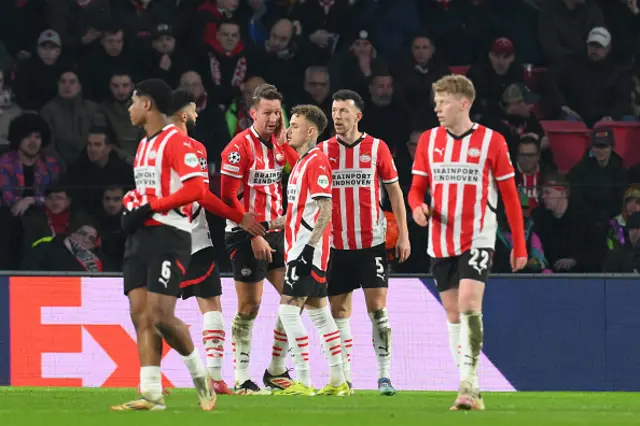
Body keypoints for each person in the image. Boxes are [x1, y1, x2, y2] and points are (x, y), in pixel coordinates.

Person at [280, 89, 411, 396]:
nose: (337, 116)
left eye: (343, 111)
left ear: (357, 116)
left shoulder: (377, 148)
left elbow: (395, 193)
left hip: (371, 243)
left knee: (377, 309)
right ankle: (345, 378)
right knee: (338, 312)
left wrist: (403, 234)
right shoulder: (322, 151)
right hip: (336, 246)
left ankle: (384, 375)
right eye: (334, 111)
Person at [408, 74, 527, 411]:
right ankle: (468, 382)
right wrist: (418, 208)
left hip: (477, 235)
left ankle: (468, 385)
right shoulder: (428, 141)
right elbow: (416, 189)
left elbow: (510, 197)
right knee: (452, 312)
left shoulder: (493, 141)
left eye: (443, 102)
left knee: (469, 303)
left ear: (464, 103)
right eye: (436, 102)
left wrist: (519, 245)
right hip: (440, 238)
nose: (437, 108)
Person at [111, 79, 216, 411]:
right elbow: (146, 190)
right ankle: (151, 393)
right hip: (141, 235)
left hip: (169, 234)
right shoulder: (143, 145)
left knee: (160, 315)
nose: (128, 108)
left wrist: (152, 207)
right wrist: (132, 205)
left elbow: (197, 189)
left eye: (132, 102)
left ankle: (201, 376)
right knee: (139, 314)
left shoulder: (176, 142)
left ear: (147, 105)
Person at [168, 89, 265, 395]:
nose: (197, 115)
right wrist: (238, 217)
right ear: (184, 114)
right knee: (210, 305)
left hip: (159, 240)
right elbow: (201, 194)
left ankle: (152, 376)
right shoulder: (193, 148)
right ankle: (211, 376)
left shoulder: (149, 146)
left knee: (155, 312)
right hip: (193, 238)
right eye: (194, 110)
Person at [219, 83, 293, 394]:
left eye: (277, 112)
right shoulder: (239, 147)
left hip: (276, 233)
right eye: (267, 113)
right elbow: (226, 197)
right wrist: (254, 234)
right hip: (244, 233)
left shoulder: (279, 146)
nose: (274, 118)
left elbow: (299, 169)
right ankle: (242, 378)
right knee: (250, 306)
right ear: (252, 114)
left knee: (295, 299)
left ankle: (276, 371)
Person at [275, 105, 350, 396]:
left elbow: (326, 210)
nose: (288, 130)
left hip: (307, 250)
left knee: (288, 311)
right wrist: (270, 223)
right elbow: (297, 212)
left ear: (310, 132)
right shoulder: (300, 164)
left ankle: (303, 380)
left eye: (294, 125)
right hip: (299, 247)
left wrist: (307, 249)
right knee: (320, 313)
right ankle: (337, 380)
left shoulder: (317, 162)